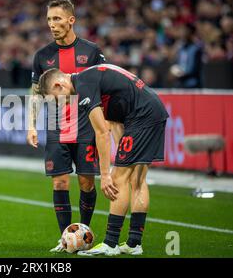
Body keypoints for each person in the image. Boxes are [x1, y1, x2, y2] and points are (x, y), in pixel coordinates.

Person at [38, 64, 169, 256]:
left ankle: (110, 243)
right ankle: (134, 243)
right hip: (149, 112)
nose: (60, 104)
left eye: (56, 99)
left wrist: (106, 174)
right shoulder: (90, 78)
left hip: (142, 118)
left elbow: (101, 132)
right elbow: (115, 121)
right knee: (137, 180)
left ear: (59, 85)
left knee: (118, 179)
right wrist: (122, 154)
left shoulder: (83, 86)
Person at [26, 0, 106, 253]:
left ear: (71, 20)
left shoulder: (92, 51)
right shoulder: (42, 56)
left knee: (86, 183)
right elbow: (36, 92)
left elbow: (105, 86)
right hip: (56, 126)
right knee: (59, 182)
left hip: (85, 126)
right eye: (49, 19)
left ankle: (82, 235)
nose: (52, 24)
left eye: (57, 19)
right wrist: (31, 125)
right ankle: (65, 239)